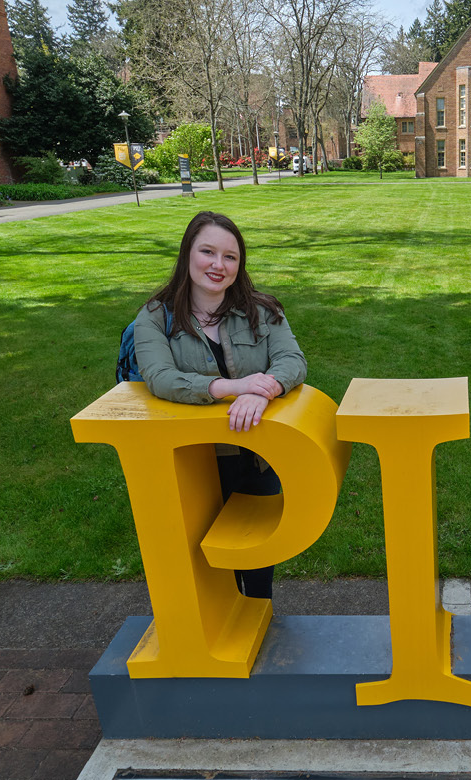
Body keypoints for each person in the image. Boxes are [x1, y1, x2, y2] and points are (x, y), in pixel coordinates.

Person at [132, 211, 307, 600]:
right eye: (207, 251)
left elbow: (293, 361)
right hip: (192, 461)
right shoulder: (154, 318)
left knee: (257, 550)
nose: (218, 265)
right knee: (203, 561)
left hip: (256, 452)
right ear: (187, 254)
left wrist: (263, 389)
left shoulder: (262, 310)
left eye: (230, 256)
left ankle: (259, 615)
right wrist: (232, 386)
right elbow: (160, 377)